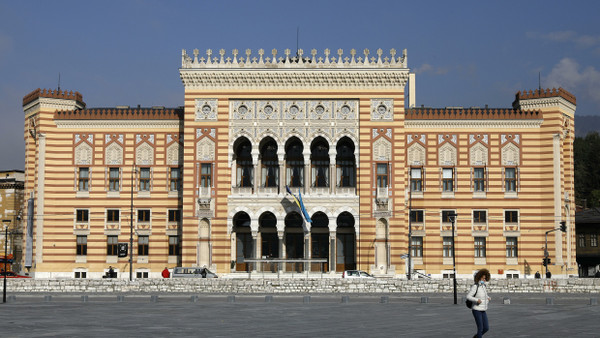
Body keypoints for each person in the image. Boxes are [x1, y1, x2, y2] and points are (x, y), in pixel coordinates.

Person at [467, 268, 491, 338]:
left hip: (483, 310)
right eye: (483, 278)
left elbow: (484, 295)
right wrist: (477, 300)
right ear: (479, 278)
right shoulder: (475, 286)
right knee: (480, 328)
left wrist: (488, 298)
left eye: (485, 278)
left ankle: (476, 337)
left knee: (486, 328)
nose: (484, 280)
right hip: (476, 310)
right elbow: (468, 296)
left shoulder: (484, 286)